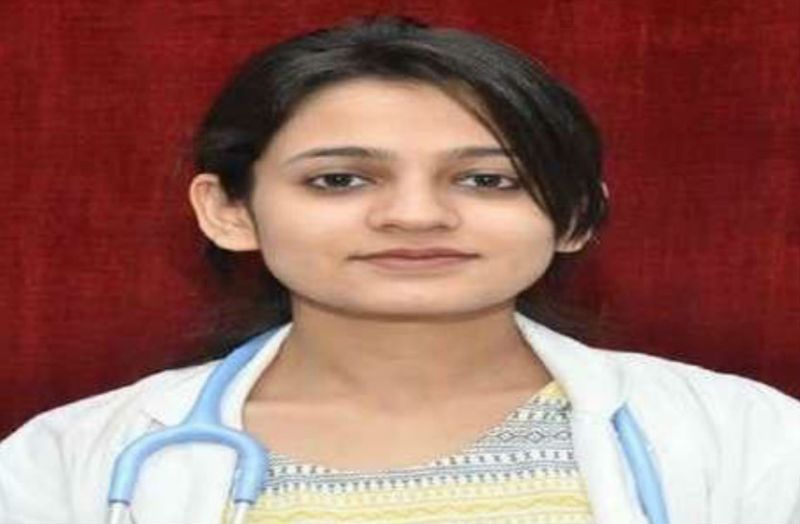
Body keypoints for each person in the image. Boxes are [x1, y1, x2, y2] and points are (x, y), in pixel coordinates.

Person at [1, 13, 798, 524]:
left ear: (576, 216)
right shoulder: (65, 459)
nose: (416, 215)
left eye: (487, 180)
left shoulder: (749, 438)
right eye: (339, 180)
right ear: (229, 211)